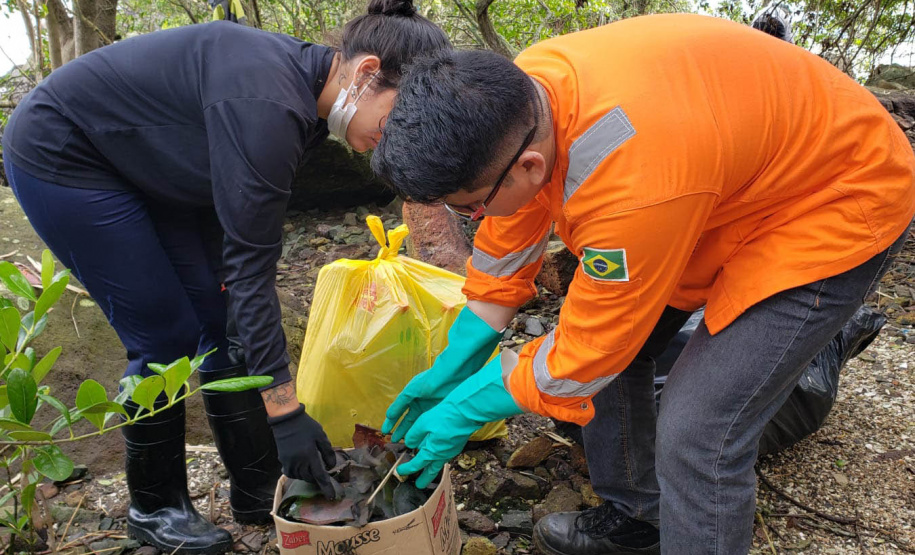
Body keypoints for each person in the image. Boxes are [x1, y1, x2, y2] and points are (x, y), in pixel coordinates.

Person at [374, 13, 915, 555]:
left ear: (531, 167)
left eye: (469, 207)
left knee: (697, 432)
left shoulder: (631, 188)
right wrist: (456, 361)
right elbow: (508, 236)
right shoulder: (521, 96)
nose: (470, 218)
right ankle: (640, 518)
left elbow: (590, 352)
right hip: (721, 185)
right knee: (620, 341)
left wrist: (468, 408)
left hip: (836, 195)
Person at [1, 1, 450, 552]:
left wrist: (270, 389)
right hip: (67, 154)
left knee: (220, 320)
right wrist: (284, 410)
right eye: (398, 117)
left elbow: (239, 262)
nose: (396, 138)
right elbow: (250, 267)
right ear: (365, 72)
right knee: (162, 336)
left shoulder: (309, 105)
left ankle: (255, 483)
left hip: (155, 166)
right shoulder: (267, 100)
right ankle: (154, 506)